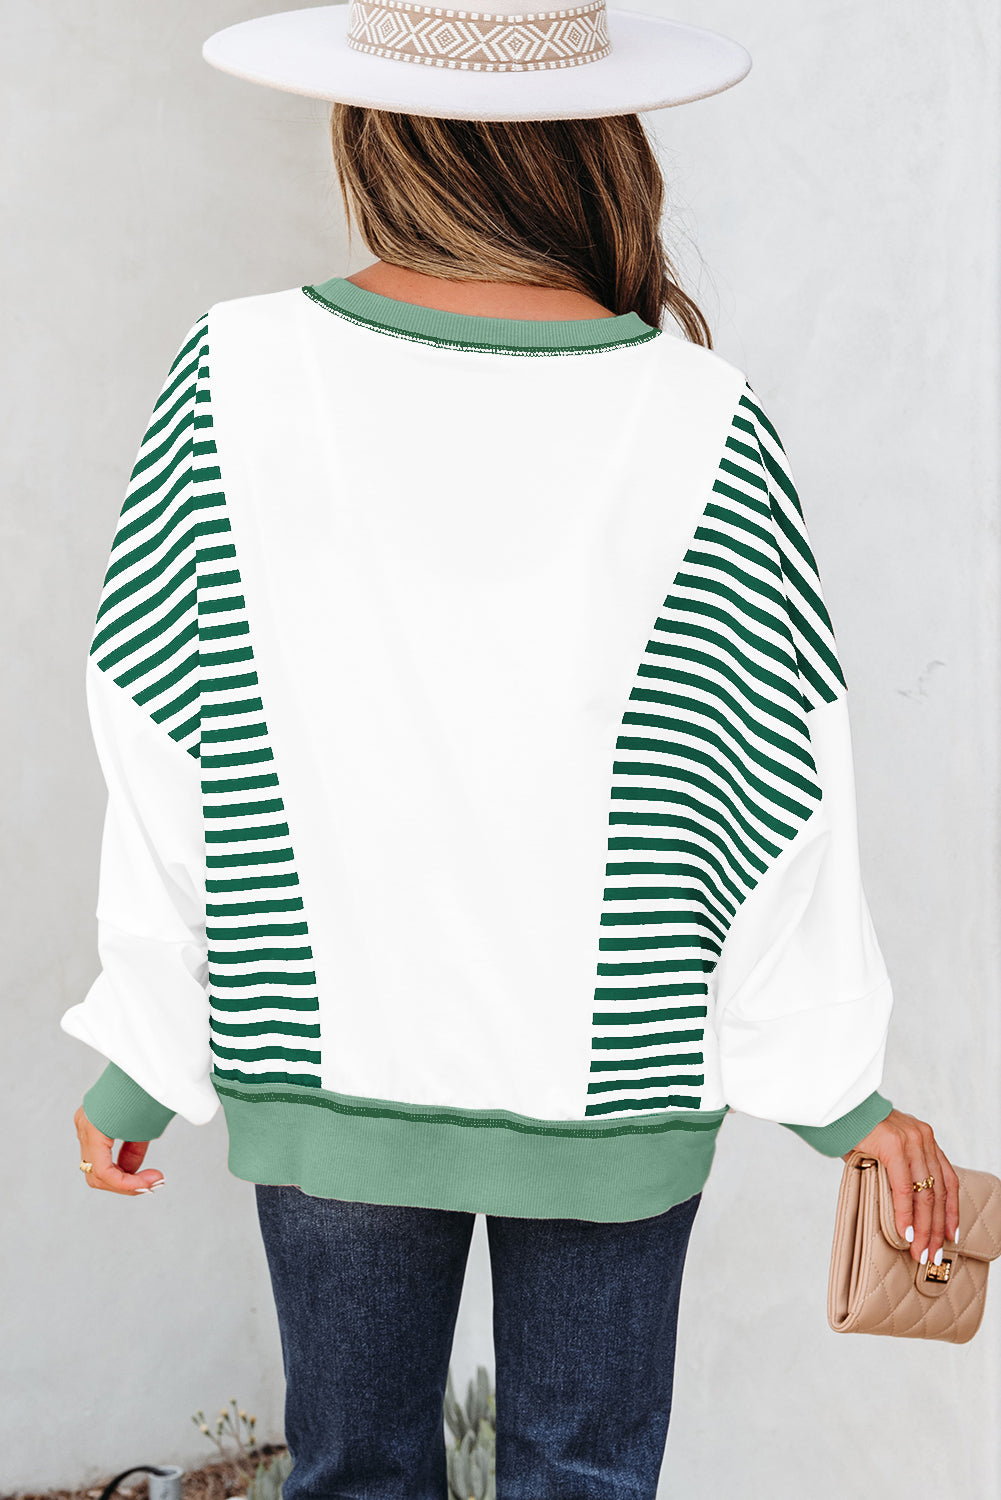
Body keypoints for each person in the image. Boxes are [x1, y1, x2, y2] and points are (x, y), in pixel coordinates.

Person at [62, 4, 960, 1496]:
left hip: (326, 1072)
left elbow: (165, 733)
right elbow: (779, 783)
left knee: (351, 1474)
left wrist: (147, 1053)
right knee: (587, 1480)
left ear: (375, 133)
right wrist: (837, 1096)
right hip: (616, 1094)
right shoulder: (705, 416)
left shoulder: (230, 373)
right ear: (600, 146)